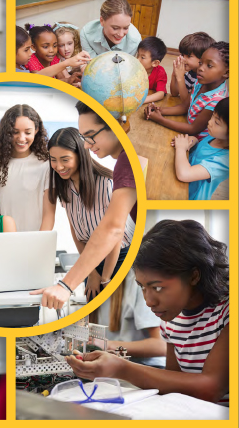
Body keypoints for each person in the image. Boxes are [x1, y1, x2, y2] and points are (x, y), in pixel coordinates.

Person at [67, 219, 229, 406]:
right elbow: (172, 383)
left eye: (157, 288)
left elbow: (211, 389)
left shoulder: (227, 311)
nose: (149, 301)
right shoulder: (172, 319)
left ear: (194, 276)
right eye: (142, 287)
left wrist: (122, 368)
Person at [32, 102, 137, 309]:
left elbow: (114, 237)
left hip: (119, 257)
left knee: (113, 314)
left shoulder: (106, 184)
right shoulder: (64, 187)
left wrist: (105, 278)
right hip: (92, 258)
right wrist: (92, 274)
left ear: (81, 155)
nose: (59, 167)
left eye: (65, 159)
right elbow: (76, 229)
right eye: (53, 160)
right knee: (94, 316)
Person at [0, 105, 55, 232]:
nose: (21, 138)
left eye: (27, 132)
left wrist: (40, 244)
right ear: (7, 132)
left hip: (34, 240)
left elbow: (49, 214)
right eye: (15, 132)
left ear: (36, 130)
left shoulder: (46, 165)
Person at [145, 42, 229, 141]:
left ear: (226, 72)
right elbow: (185, 106)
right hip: (186, 124)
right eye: (201, 63)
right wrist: (158, 110)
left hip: (195, 142)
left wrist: (160, 119)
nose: (201, 68)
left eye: (209, 65)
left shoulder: (217, 99)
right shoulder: (200, 81)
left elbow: (193, 129)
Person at [88, 269, 166, 368]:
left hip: (146, 366)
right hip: (113, 363)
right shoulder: (94, 282)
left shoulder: (138, 281)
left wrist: (109, 345)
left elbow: (161, 346)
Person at [173, 98, 229, 200]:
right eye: (212, 116)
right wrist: (192, 141)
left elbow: (184, 174)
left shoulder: (225, 161)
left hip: (189, 197)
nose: (210, 122)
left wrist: (181, 148)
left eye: (217, 122)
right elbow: (201, 147)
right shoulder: (215, 136)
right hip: (178, 183)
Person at [23, 24, 89, 85]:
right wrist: (68, 63)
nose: (52, 50)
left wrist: (70, 79)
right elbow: (38, 81)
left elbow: (60, 79)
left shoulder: (54, 59)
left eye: (54, 46)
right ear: (34, 47)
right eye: (45, 47)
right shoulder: (31, 60)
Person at [170, 32, 216, 102]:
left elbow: (186, 103)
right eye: (182, 54)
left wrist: (180, 78)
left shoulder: (201, 78)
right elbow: (174, 93)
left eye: (189, 56)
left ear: (203, 58)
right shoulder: (190, 72)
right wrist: (174, 74)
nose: (183, 59)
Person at [137, 36, 168, 104]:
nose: (137, 59)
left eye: (142, 57)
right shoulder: (135, 69)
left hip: (150, 101)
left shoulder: (160, 72)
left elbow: (160, 94)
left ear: (155, 63)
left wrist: (142, 101)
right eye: (137, 55)